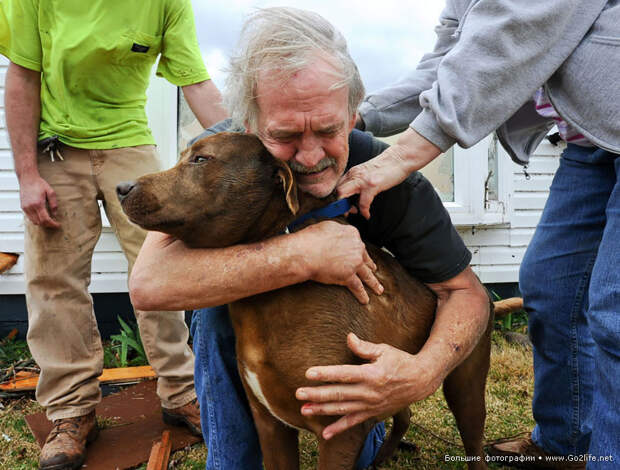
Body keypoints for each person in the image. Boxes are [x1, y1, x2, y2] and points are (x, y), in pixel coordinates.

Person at [129, 7, 491, 470]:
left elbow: (467, 293)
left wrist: (422, 374)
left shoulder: (391, 179)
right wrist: (302, 254)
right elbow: (149, 284)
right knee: (213, 312)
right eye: (284, 135)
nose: (311, 154)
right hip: (258, 329)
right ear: (249, 125)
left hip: (353, 335)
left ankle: (369, 421)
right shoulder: (221, 157)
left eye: (327, 129)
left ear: (352, 115)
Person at [335, 1, 619, 468]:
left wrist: (403, 152)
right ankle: (565, 440)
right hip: (593, 144)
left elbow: (515, 31)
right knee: (551, 286)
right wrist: (355, 118)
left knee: (614, 307)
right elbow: (447, 65)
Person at [0, 1, 228, 469]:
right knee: (54, 280)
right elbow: (22, 77)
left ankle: (182, 393)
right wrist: (26, 177)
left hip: (129, 140)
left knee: (164, 266)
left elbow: (196, 83)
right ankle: (71, 412)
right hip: (56, 147)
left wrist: (246, 141)